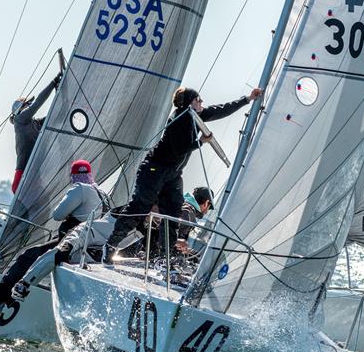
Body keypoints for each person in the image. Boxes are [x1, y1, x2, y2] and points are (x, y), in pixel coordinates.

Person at [103, 86, 262, 265]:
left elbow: (220, 110)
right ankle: (111, 245)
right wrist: (200, 142)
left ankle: (165, 257)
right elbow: (179, 148)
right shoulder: (178, 118)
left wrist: (247, 99)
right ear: (188, 103)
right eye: (198, 100)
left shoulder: (197, 116)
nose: (202, 102)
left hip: (173, 174)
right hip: (154, 169)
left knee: (173, 212)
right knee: (141, 206)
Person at [0, 159, 108, 314]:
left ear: (72, 175)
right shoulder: (102, 194)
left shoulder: (80, 188)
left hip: (71, 245)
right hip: (91, 247)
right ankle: (1, 300)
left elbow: (57, 215)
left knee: (28, 256)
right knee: (35, 254)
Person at [11, 71, 63, 193]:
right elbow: (37, 103)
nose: (30, 106)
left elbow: (54, 116)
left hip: (34, 175)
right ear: (21, 109)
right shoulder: (20, 120)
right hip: (23, 176)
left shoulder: (35, 123)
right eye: (28, 104)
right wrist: (53, 83)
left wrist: (59, 93)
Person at [174, 186, 214, 258]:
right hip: (163, 252)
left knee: (195, 256)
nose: (206, 212)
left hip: (165, 247)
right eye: (209, 207)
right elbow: (169, 236)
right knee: (196, 258)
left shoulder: (182, 204)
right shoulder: (187, 212)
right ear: (206, 202)